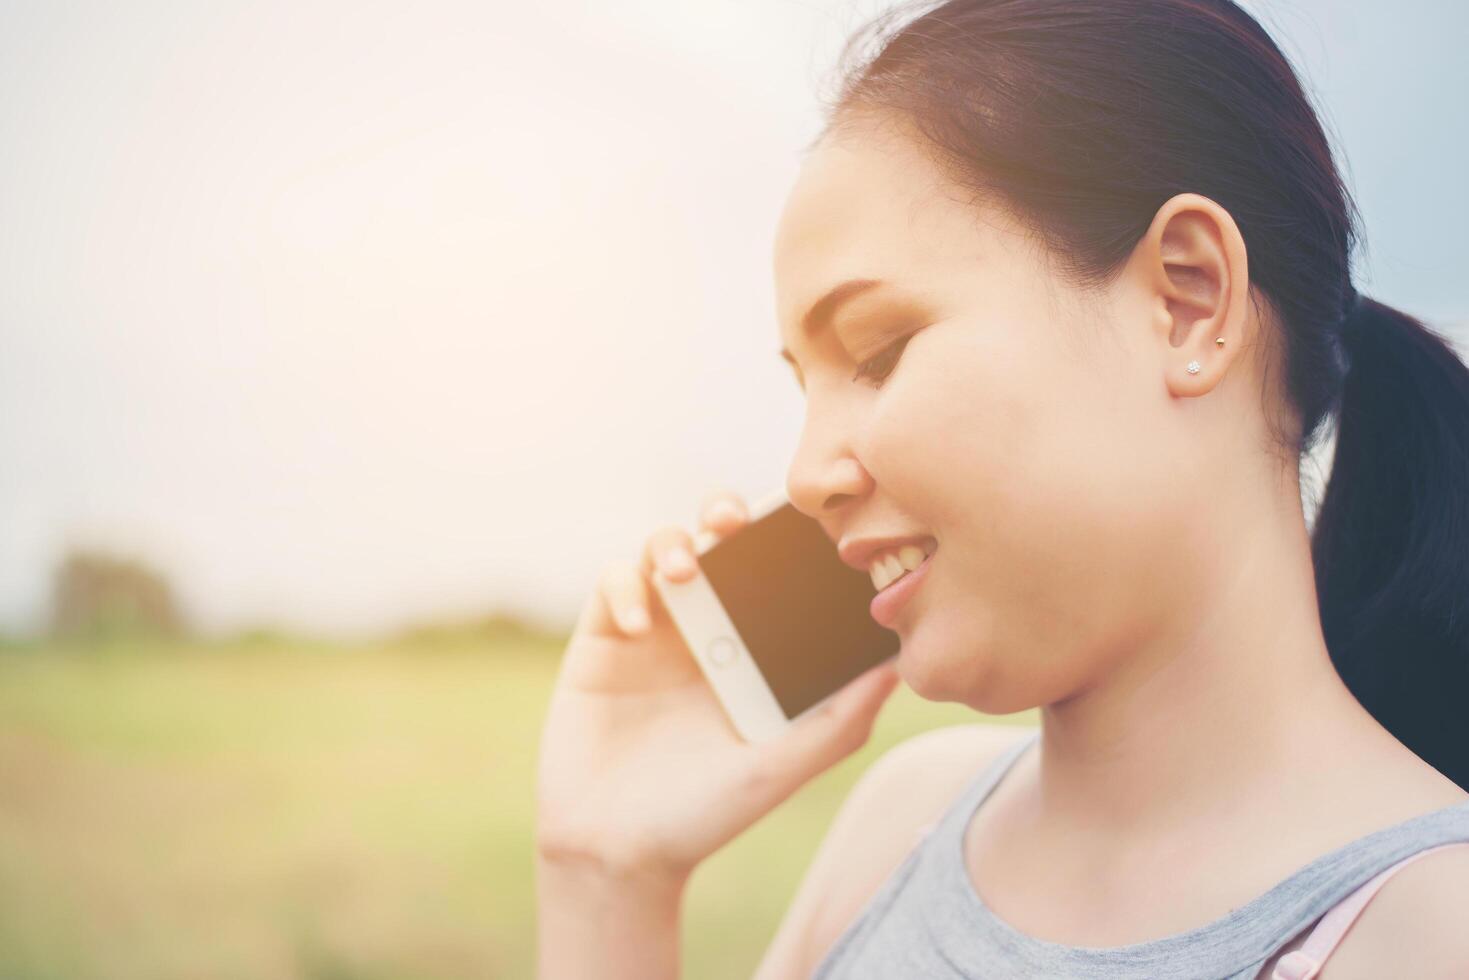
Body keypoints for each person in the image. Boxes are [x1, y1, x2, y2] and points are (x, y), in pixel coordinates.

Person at [534, 1, 1469, 976]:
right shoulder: (902, 825)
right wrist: (604, 874)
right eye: (804, 386)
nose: (806, 476)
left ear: (1188, 298)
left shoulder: (1427, 935)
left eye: (877, 351)